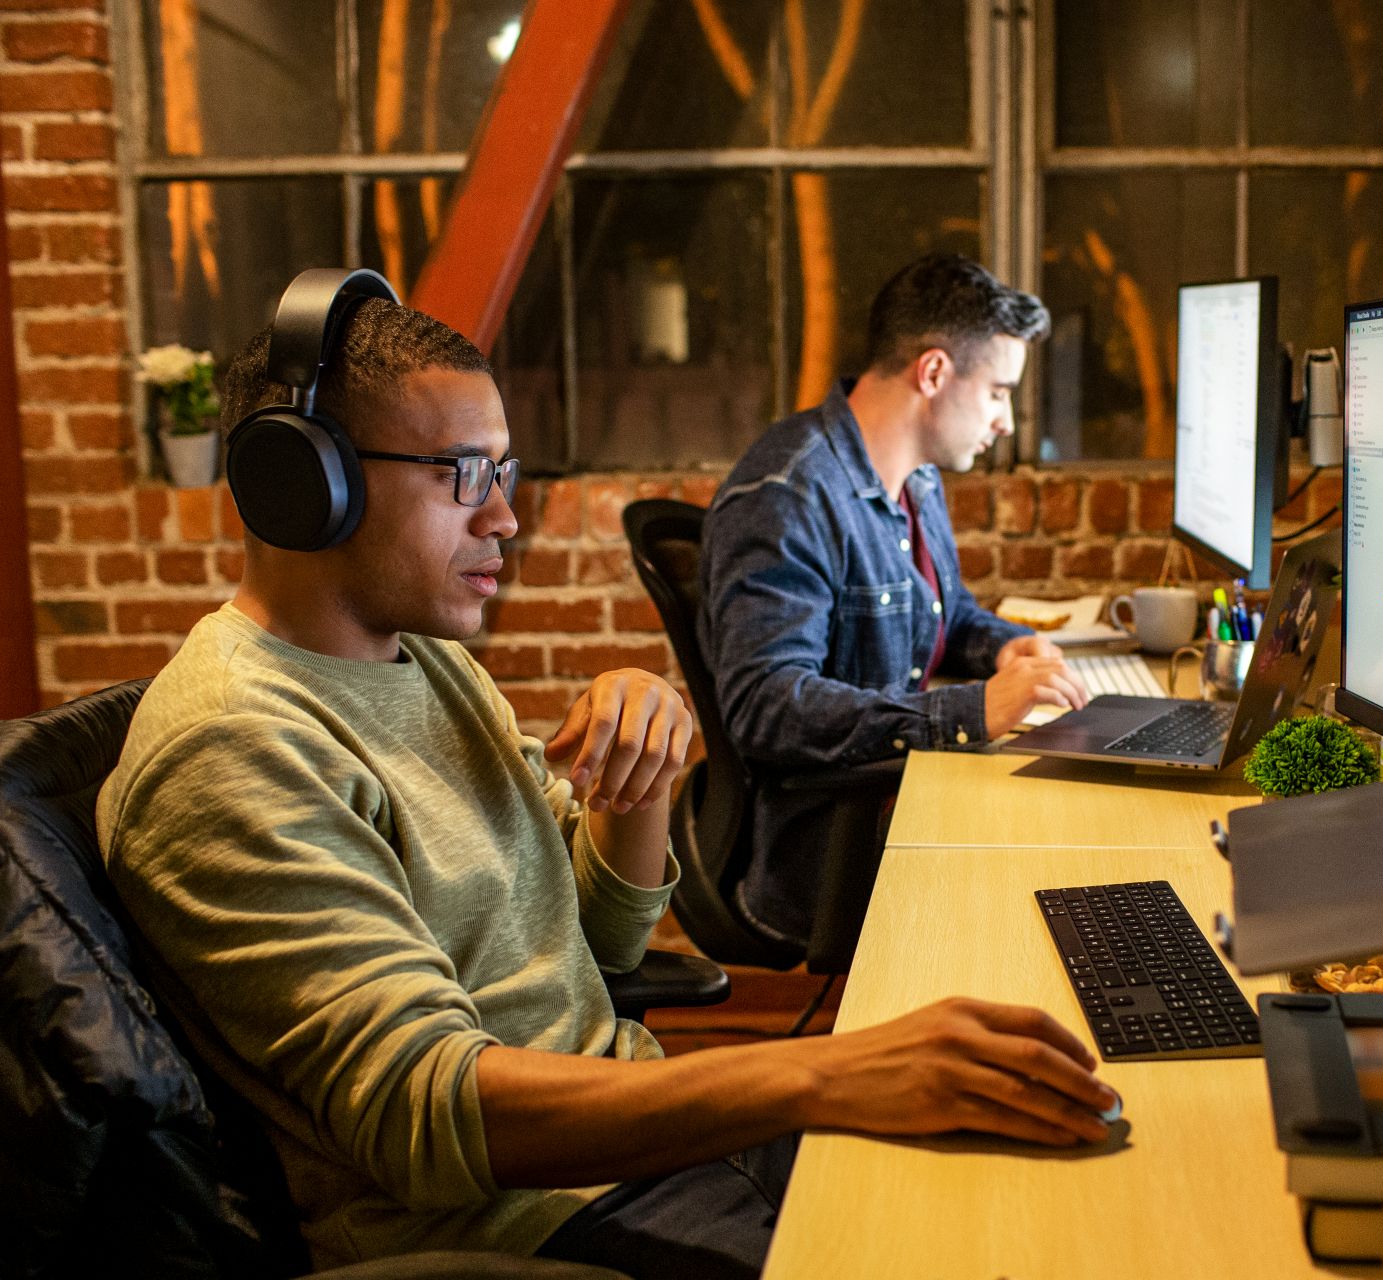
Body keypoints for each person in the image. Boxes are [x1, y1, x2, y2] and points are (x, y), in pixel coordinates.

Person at [97, 296, 1116, 1276]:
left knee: (1033, 1210)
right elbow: (434, 1113)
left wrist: (641, 785)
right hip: (525, 1224)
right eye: (462, 475)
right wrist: (822, 1072)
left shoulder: (425, 661)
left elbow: (597, 943)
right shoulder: (233, 744)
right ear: (301, 483)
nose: (504, 517)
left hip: (633, 1140)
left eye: (504, 472)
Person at [700, 254, 1089, 943]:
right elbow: (765, 704)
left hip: (900, 793)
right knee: (1062, 859)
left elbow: (947, 612)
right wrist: (971, 710)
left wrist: (1002, 646)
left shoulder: (913, 475)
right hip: (833, 842)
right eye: (999, 392)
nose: (1005, 420)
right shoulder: (787, 496)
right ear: (934, 372)